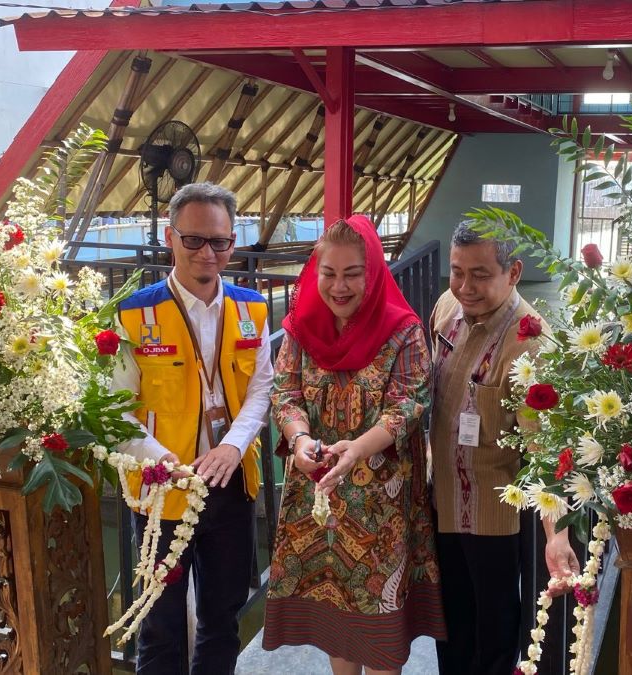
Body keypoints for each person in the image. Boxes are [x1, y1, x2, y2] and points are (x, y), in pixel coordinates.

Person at [263, 215, 445, 675]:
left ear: (373, 273)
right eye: (329, 273)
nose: (338, 287)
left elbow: (410, 403)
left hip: (380, 505)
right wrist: (299, 438)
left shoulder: (402, 330)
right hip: (317, 493)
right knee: (334, 611)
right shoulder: (301, 327)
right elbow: (285, 392)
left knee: (380, 624)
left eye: (352, 274)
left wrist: (359, 447)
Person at [113, 182, 272, 674]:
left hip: (230, 482)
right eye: (194, 240)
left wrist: (232, 447)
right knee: (160, 624)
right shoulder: (133, 314)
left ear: (233, 241)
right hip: (162, 487)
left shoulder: (252, 309)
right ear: (170, 237)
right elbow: (115, 410)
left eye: (219, 242)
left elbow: (261, 389)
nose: (208, 253)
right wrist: (159, 459)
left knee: (222, 620)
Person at [429, 222, 580, 675]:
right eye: (457, 272)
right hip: (439, 500)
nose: (465, 287)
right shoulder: (446, 308)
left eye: (480, 274)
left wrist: (556, 535)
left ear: (513, 273)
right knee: (449, 626)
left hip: (491, 516)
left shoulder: (530, 344)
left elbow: (544, 451)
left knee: (493, 631)